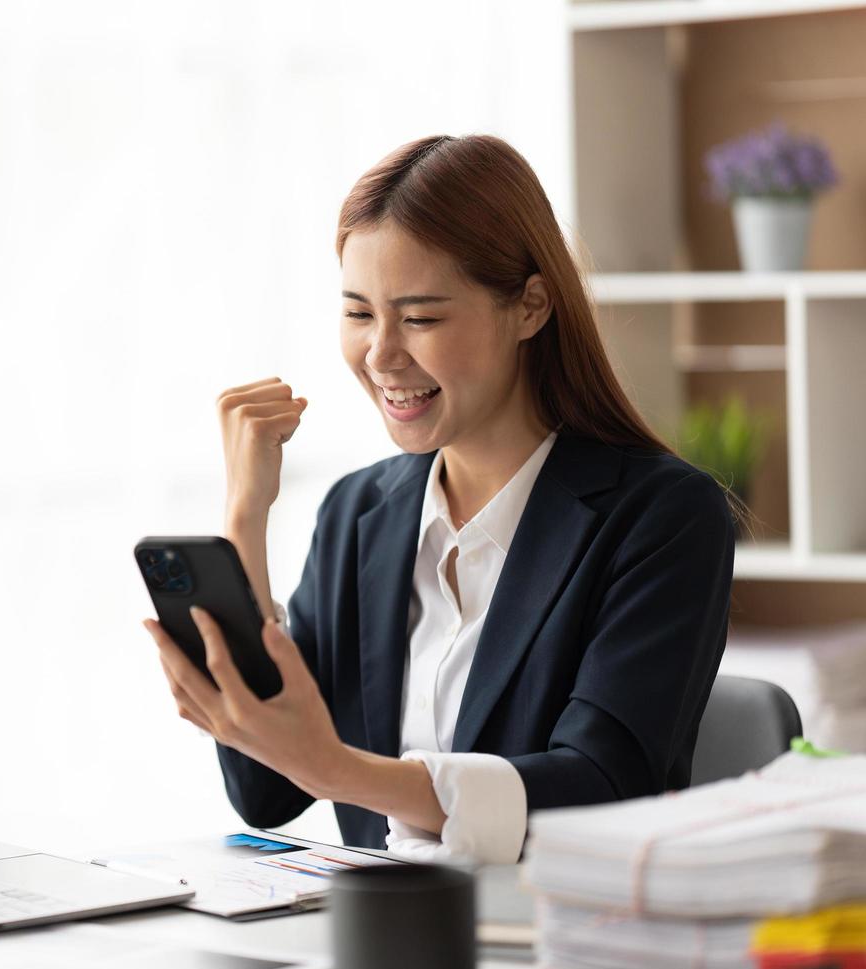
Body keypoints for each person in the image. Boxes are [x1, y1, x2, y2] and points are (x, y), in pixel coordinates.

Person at [141, 134, 736, 864]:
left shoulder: (663, 518)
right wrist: (245, 519)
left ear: (531, 306)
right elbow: (267, 792)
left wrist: (343, 771)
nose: (382, 356)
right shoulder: (358, 516)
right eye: (359, 314)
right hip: (381, 939)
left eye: (420, 318)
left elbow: (602, 784)